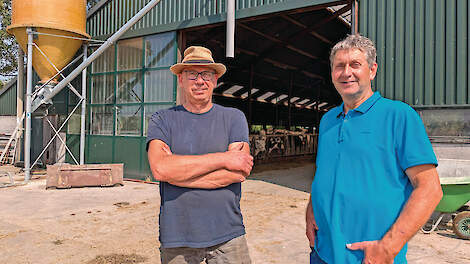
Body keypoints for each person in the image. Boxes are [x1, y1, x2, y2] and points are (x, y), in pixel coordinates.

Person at [306, 34, 443, 264]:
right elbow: (325, 172)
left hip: (370, 257)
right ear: (332, 73)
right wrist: (311, 209)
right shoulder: (328, 120)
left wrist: (389, 247)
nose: (346, 72)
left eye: (355, 65)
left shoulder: (398, 115)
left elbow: (430, 189)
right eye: (339, 66)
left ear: (372, 70)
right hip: (323, 252)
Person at [147, 46, 253, 264]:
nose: (199, 81)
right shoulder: (162, 119)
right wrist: (224, 158)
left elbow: (239, 171)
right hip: (178, 235)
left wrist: (178, 173)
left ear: (215, 80)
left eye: (206, 74)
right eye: (192, 74)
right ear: (181, 79)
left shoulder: (234, 118)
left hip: (228, 233)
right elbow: (160, 169)